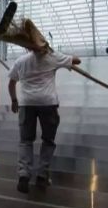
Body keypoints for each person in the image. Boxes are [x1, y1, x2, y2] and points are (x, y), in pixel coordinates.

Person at [8, 48, 81, 193]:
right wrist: (53, 52)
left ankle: (24, 175)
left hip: (26, 104)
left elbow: (11, 83)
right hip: (48, 103)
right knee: (48, 140)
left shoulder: (20, 61)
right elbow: (77, 60)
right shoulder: (52, 57)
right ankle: (42, 176)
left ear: (27, 46)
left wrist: (14, 100)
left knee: (25, 141)